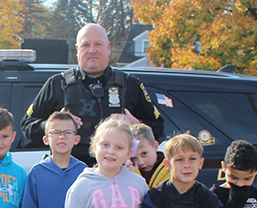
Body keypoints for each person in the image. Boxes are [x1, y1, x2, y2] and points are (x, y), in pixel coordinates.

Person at [21, 23, 164, 166]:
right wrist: (53, 127)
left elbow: (158, 128)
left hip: (116, 177)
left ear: (108, 48)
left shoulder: (130, 85)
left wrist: (137, 126)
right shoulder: (57, 84)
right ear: (77, 49)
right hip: (68, 176)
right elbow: (27, 125)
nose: (92, 50)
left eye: (98, 44)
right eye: (85, 45)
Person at [130, 123, 168, 188]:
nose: (141, 162)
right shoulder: (129, 169)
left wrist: (135, 176)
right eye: (134, 158)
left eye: (144, 153)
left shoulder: (169, 169)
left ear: (155, 147)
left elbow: (152, 196)